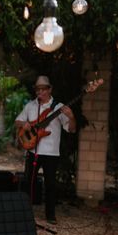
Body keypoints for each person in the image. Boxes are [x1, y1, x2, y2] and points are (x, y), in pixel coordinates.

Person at [15, 75, 76, 225]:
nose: (40, 92)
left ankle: (50, 215)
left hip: (51, 153)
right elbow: (17, 121)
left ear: (50, 89)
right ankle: (25, 212)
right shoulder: (30, 106)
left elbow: (71, 129)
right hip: (32, 151)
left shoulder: (59, 107)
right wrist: (25, 124)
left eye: (43, 89)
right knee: (29, 182)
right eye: (37, 89)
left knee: (50, 184)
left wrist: (72, 116)